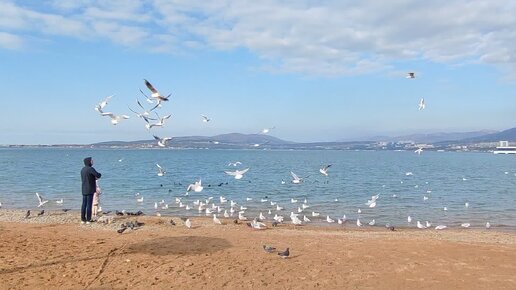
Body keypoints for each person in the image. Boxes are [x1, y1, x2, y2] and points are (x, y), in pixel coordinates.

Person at [81, 157, 101, 224]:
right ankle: (88, 219)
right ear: (89, 162)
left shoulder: (82, 169)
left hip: (83, 188)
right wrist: (96, 177)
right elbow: (98, 175)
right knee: (89, 204)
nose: (92, 162)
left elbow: (87, 178)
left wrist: (93, 178)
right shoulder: (90, 169)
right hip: (90, 189)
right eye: (91, 161)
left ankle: (83, 219)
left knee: (84, 204)